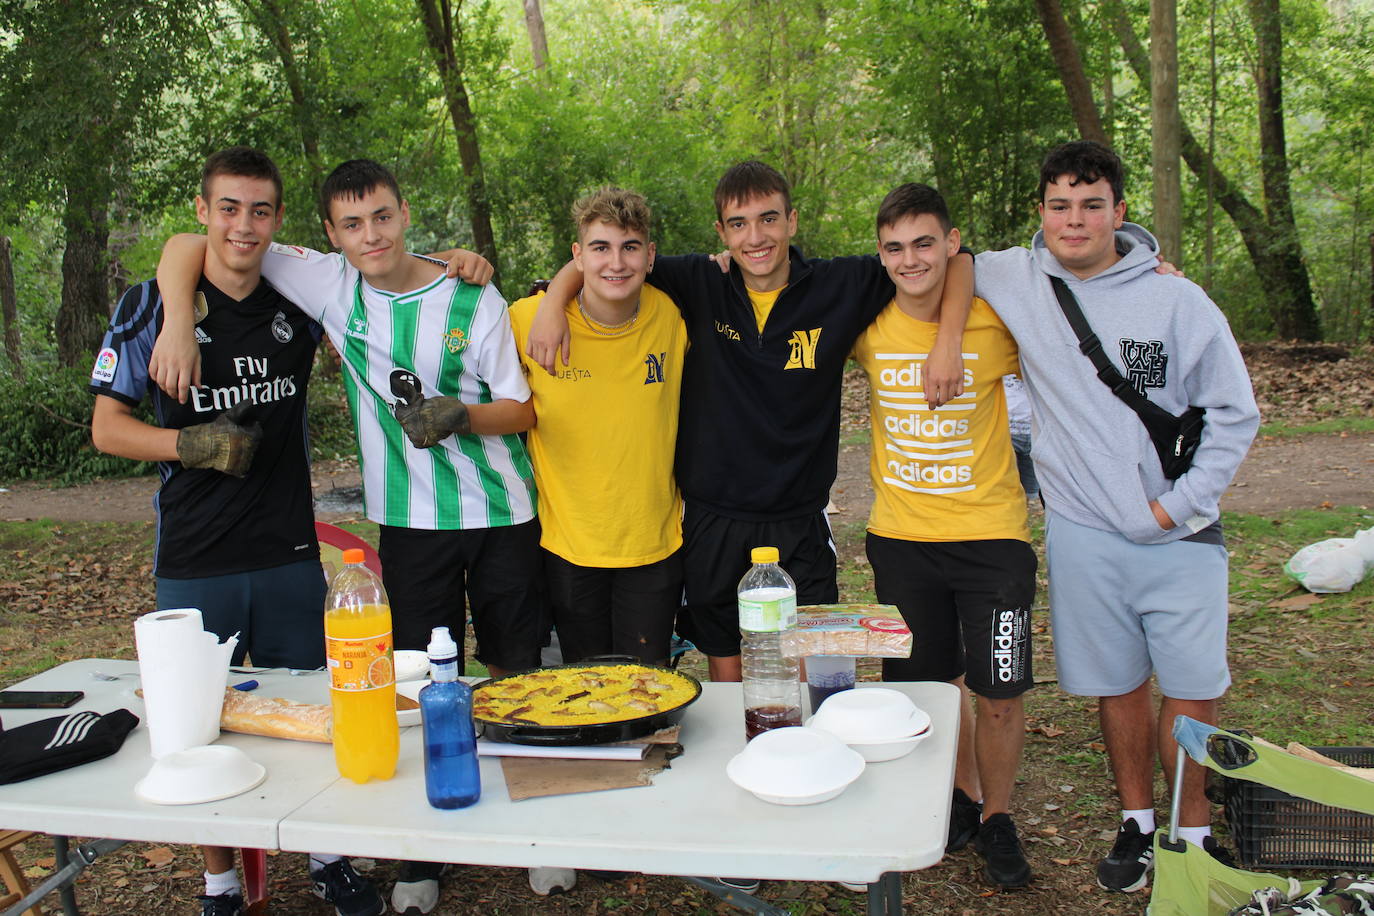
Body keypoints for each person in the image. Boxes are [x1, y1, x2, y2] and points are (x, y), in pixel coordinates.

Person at [151, 158, 540, 914]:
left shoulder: (471, 292)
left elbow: (523, 411)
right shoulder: (326, 281)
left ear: (405, 215)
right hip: (410, 524)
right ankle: (424, 853)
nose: (372, 235)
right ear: (329, 236)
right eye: (353, 225)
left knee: (516, 668)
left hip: (503, 513)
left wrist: (460, 415)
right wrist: (174, 318)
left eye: (384, 218)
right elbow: (185, 243)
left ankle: (529, 832)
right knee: (425, 680)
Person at [528, 161, 973, 692]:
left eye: (768, 219)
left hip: (800, 518)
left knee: (813, 674)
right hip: (713, 519)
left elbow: (958, 258)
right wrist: (554, 303)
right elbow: (607, 258)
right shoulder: (699, 282)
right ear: (721, 232)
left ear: (792, 221)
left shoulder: (843, 284)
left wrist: (947, 343)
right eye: (738, 223)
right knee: (731, 671)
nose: (755, 236)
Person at [89, 147, 386, 916]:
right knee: (197, 720)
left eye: (259, 210)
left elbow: (382, 271)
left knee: (318, 708)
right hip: (194, 555)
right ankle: (219, 879)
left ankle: (328, 856)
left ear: (278, 221)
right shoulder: (149, 305)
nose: (242, 225)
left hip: (287, 550)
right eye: (228, 208)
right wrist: (187, 443)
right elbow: (107, 429)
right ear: (202, 210)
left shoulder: (296, 300)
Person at [972, 140, 1259, 893]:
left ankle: (1190, 831)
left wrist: (1179, 504)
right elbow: (928, 257)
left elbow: (1236, 412)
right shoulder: (1016, 277)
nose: (1075, 220)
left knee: (1192, 687)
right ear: (1039, 211)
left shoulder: (1177, 300)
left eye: (1091, 204)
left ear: (1119, 212)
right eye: (1060, 204)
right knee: (1119, 685)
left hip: (1180, 532)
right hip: (1081, 533)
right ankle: (1136, 822)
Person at [852, 182, 1036, 888]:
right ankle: (958, 799)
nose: (911, 259)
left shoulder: (997, 323)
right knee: (929, 683)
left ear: (952, 244)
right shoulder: (867, 326)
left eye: (925, 242)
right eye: (895, 247)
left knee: (1000, 687)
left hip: (992, 540)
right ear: (880, 254)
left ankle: (998, 817)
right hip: (901, 540)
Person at [508, 187, 688, 666]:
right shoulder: (527, 320)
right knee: (587, 689)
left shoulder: (673, 316)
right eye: (600, 247)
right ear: (577, 255)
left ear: (650, 256)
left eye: (630, 247)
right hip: (569, 545)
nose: (616, 262)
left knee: (648, 690)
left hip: (652, 542)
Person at [1002, 374, 1038, 502]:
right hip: (1008, 434)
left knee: (1030, 491)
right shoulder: (1002, 360)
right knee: (1005, 487)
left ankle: (1024, 515)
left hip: (1036, 433)